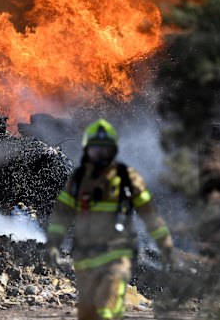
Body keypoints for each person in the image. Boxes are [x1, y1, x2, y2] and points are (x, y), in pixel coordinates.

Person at [45, 118, 174, 320]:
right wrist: (53, 244)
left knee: (107, 308)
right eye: (96, 151)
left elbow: (150, 215)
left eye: (105, 151)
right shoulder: (78, 180)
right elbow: (62, 214)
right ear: (88, 151)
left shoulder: (128, 179)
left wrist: (165, 245)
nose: (100, 156)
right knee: (87, 312)